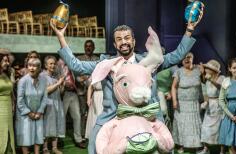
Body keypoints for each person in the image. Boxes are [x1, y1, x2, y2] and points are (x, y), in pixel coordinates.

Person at [50, 8, 203, 153]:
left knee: (166, 147)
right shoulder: (106, 64)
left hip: (148, 115)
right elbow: (76, 65)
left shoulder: (150, 61)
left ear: (134, 41)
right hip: (113, 116)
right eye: (119, 39)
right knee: (95, 145)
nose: (123, 42)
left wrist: (189, 29)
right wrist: (60, 36)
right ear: (115, 44)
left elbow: (177, 56)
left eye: (127, 38)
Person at [171, 52, 203, 153]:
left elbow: (205, 84)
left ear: (193, 58)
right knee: (181, 125)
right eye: (184, 58)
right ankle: (181, 145)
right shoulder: (178, 72)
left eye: (189, 57)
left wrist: (202, 70)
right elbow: (173, 87)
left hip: (194, 103)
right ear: (181, 60)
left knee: (195, 125)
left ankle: (197, 145)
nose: (186, 59)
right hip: (182, 104)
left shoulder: (198, 70)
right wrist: (174, 100)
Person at [16, 58, 47, 154]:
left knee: (38, 134)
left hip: (38, 113)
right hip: (24, 114)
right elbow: (20, 101)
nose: (32, 68)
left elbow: (45, 97)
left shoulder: (43, 80)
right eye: (29, 65)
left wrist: (39, 111)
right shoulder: (23, 81)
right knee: (25, 136)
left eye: (34, 66)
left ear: (39, 68)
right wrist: (29, 113)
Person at [218, 58, 236, 154]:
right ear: (230, 69)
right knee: (231, 145)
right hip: (229, 116)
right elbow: (221, 100)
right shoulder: (226, 81)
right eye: (234, 68)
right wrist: (231, 116)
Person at [199, 59, 225, 154]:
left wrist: (210, 79)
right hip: (210, 105)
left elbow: (221, 87)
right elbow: (206, 93)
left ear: (213, 70)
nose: (206, 70)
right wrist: (205, 103)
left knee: (219, 128)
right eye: (206, 68)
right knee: (205, 126)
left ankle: (222, 150)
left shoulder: (221, 78)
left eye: (208, 68)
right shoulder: (207, 80)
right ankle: (206, 148)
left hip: (218, 105)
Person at [42, 56, 65, 154]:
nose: (53, 65)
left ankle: (54, 147)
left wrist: (62, 85)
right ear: (46, 65)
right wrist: (57, 84)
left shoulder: (55, 77)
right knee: (47, 124)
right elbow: (45, 90)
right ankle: (45, 148)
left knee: (57, 122)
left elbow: (60, 92)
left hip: (57, 102)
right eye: (50, 63)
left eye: (54, 63)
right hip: (48, 103)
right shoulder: (42, 76)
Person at [76, 40, 99, 138]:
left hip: (94, 91)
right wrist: (86, 80)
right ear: (84, 47)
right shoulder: (79, 59)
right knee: (82, 113)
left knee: (94, 113)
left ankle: (93, 133)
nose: (88, 48)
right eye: (86, 46)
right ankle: (82, 135)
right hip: (81, 91)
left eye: (90, 46)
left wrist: (87, 78)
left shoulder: (97, 59)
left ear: (93, 48)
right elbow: (77, 75)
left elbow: (98, 75)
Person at [0, 51, 16, 154]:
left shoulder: (6, 74)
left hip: (8, 106)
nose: (7, 63)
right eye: (5, 61)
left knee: (9, 132)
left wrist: (13, 102)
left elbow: (11, 91)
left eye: (8, 61)